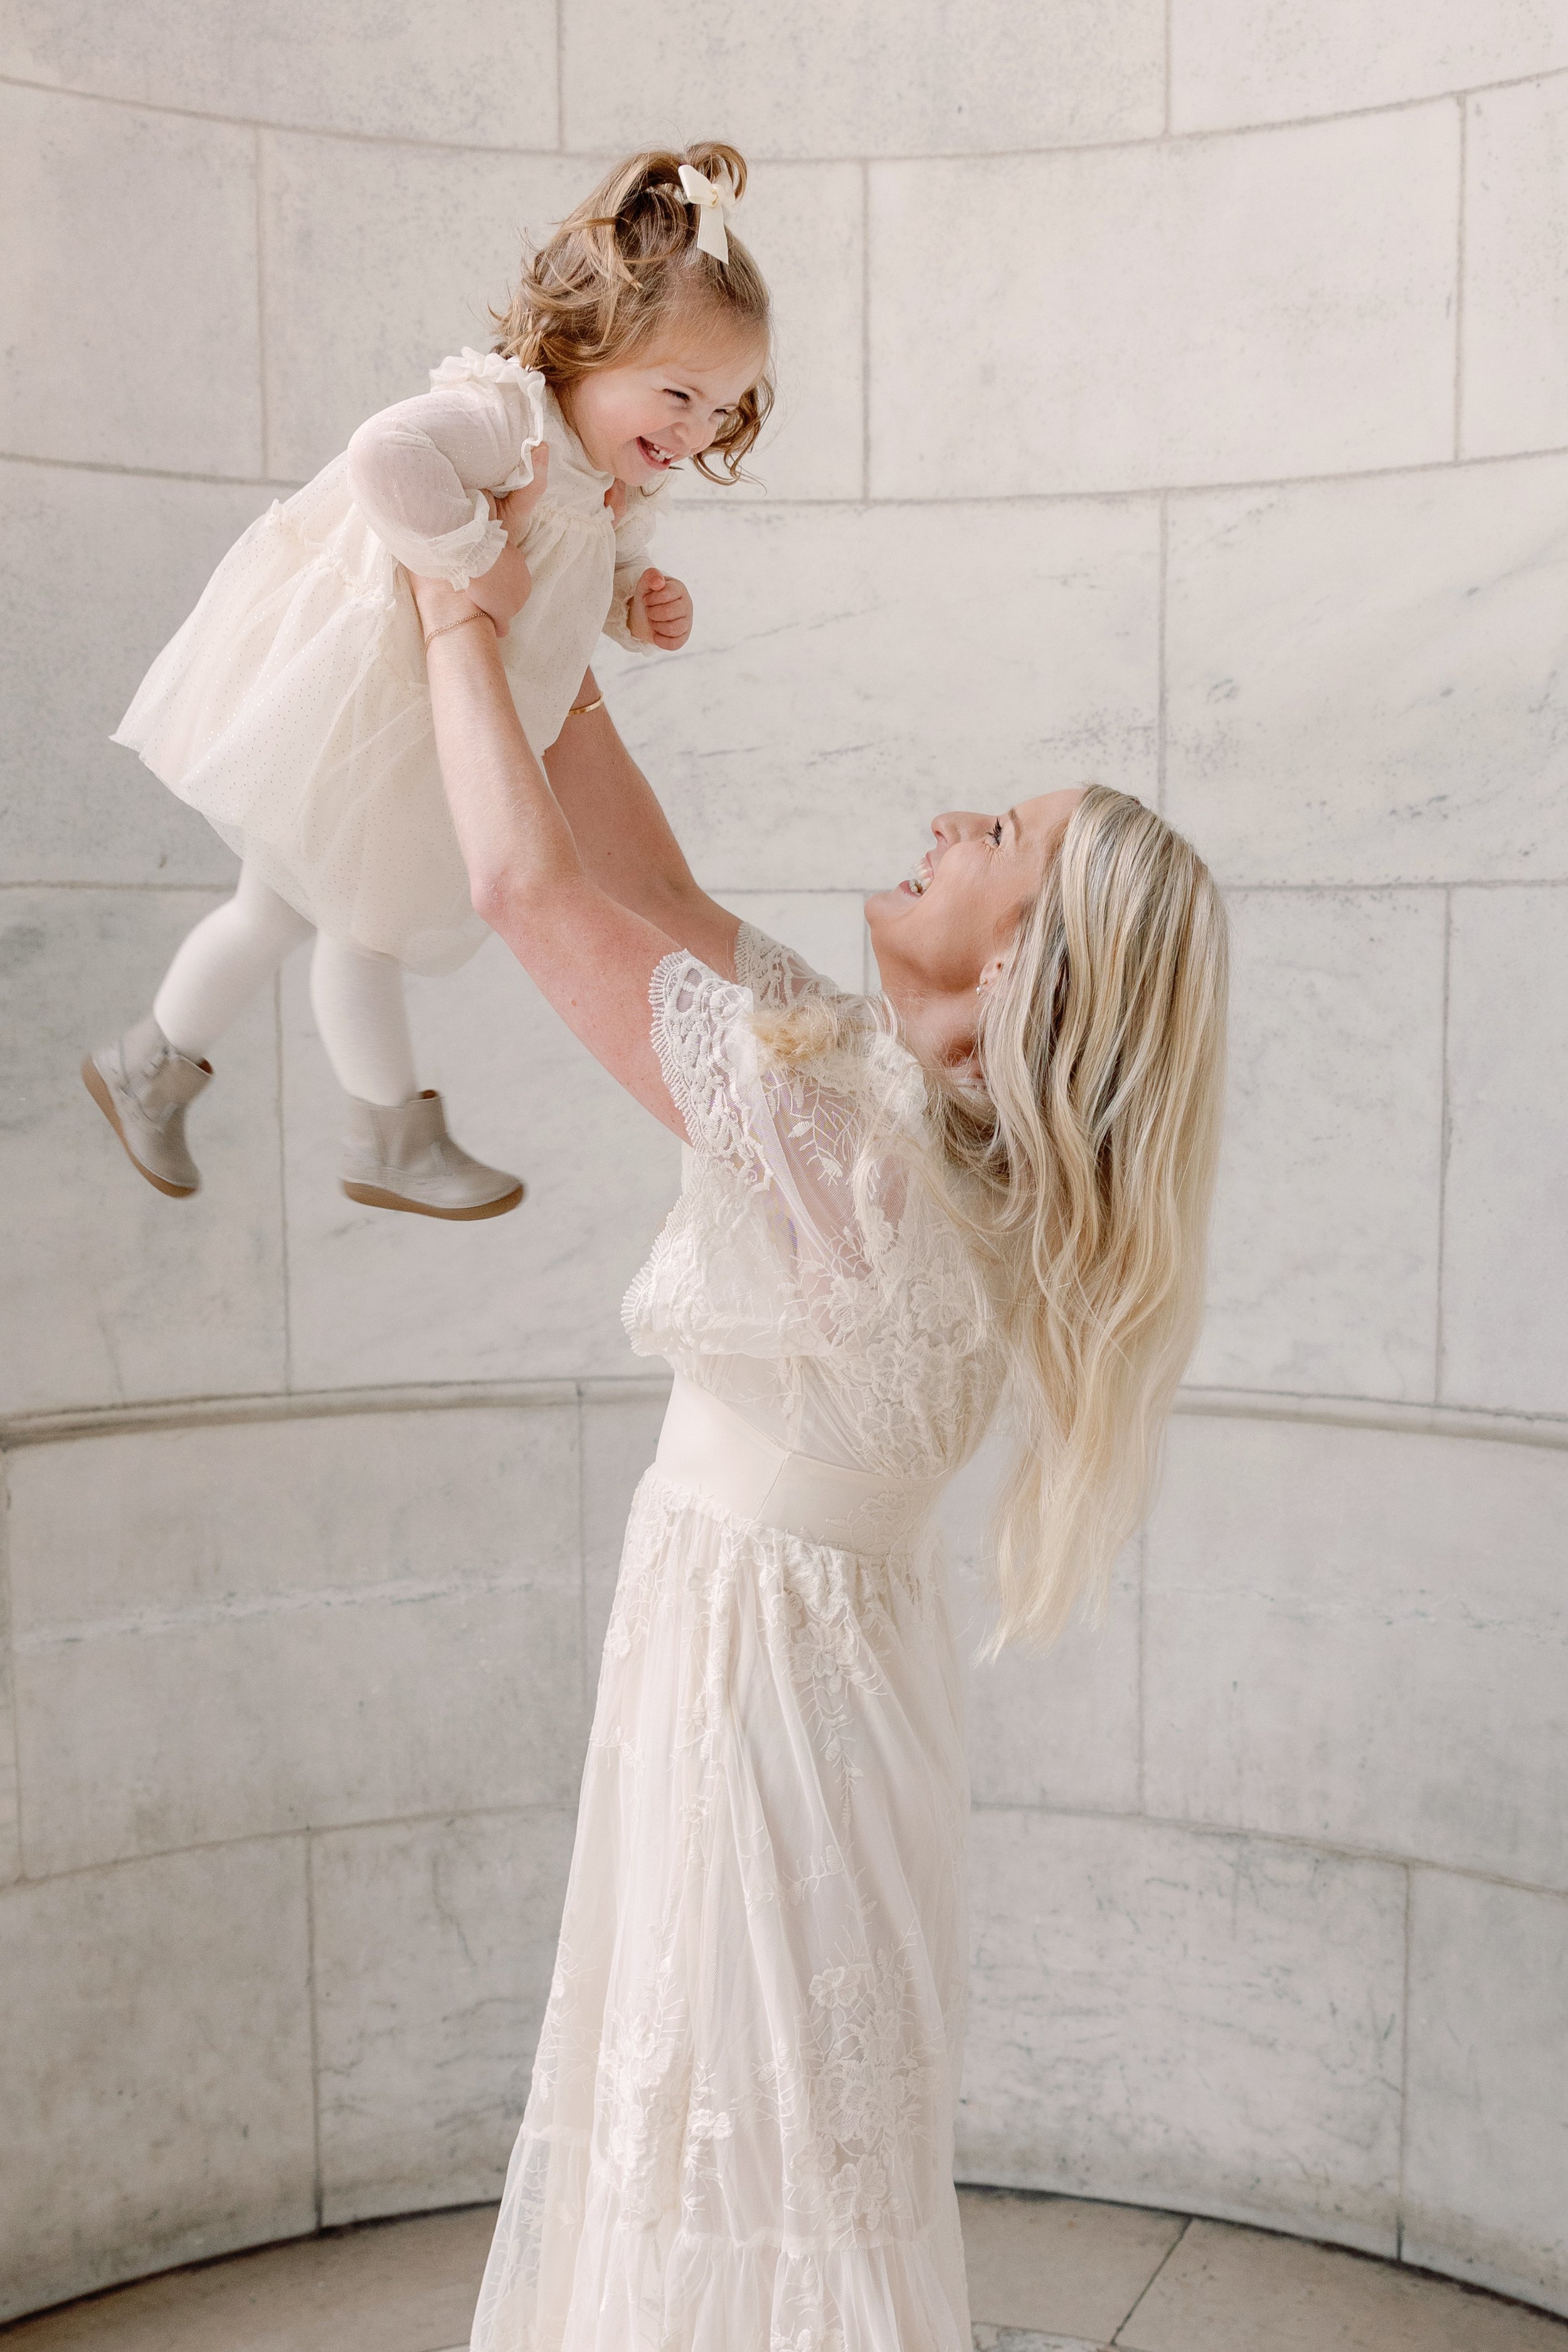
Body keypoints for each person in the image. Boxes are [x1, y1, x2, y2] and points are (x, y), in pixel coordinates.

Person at [410, 554, 1230, 2348]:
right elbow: (657, 887)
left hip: (758, 1694)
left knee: (730, 2148)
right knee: (768, 2160)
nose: (949, 818)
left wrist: (446, 602)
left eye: (995, 831)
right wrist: (560, 613)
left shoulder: (839, 1134)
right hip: (804, 1676)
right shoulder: (899, 1115)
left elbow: (524, 881)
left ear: (1013, 953)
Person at [84, 144, 770, 1219]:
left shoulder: (611, 485)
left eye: (721, 409)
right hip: (370, 714)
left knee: (333, 924)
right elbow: (381, 455)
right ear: (591, 349)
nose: (694, 430)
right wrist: (468, 554)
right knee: (320, 921)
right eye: (678, 393)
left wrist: (636, 608)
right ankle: (342, 1119)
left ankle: (195, 1076)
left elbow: (581, 583)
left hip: (431, 740)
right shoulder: (514, 418)